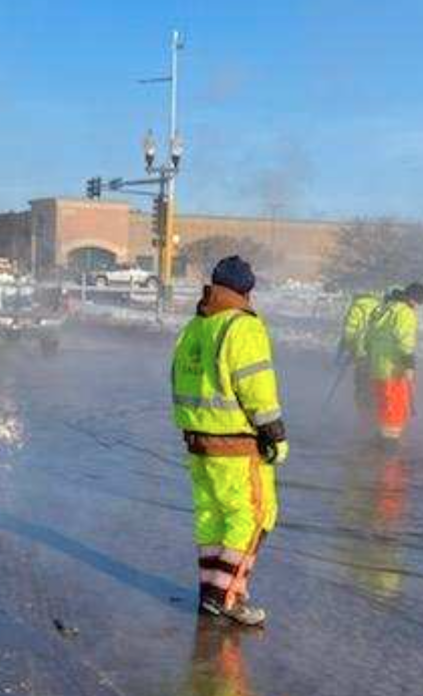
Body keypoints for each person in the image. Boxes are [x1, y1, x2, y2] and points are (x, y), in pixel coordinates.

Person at [171, 256, 288, 627]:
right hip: (236, 444)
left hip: (198, 443)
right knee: (253, 517)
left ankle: (210, 592)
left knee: (211, 516)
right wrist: (274, 433)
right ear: (246, 291)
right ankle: (226, 597)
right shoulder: (243, 326)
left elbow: (178, 379)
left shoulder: (196, 326)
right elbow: (256, 386)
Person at [364, 282, 423, 440]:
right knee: (396, 405)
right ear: (414, 299)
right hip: (393, 367)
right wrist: (409, 364)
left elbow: (368, 338)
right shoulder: (405, 312)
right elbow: (405, 340)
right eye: (418, 303)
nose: (417, 307)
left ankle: (381, 436)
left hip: (377, 365)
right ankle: (390, 443)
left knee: (383, 402)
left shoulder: (384, 309)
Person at [336, 290, 387, 427]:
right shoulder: (380, 306)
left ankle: (363, 418)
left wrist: (349, 349)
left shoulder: (356, 307)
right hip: (378, 354)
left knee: (362, 386)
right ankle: (376, 417)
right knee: (374, 386)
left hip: (362, 354)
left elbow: (349, 332)